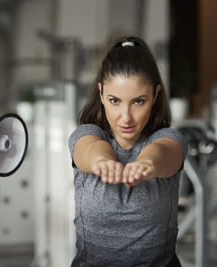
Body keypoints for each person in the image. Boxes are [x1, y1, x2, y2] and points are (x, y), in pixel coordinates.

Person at [68, 36, 188, 267]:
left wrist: (148, 164)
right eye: (115, 100)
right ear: (101, 93)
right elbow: (90, 148)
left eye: (138, 102)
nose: (126, 117)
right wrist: (102, 161)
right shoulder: (86, 134)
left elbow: (161, 152)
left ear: (155, 95)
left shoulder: (169, 139)